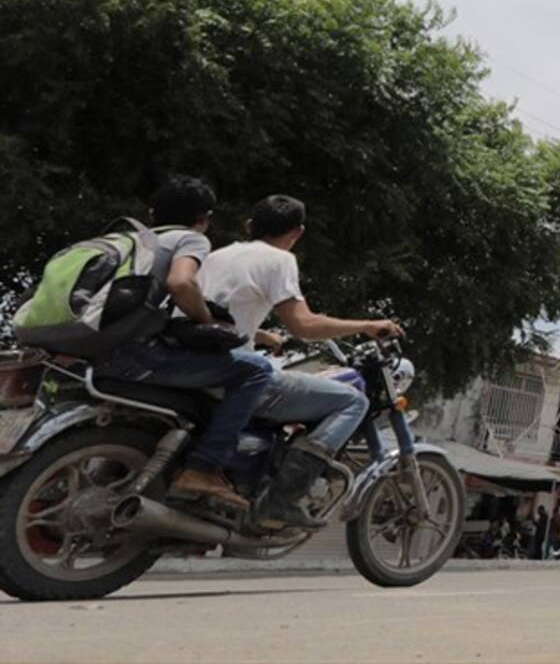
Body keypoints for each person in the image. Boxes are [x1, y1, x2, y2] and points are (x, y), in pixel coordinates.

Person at [196, 194, 403, 527]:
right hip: (233, 372)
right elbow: (303, 325)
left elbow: (215, 315)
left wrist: (263, 336)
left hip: (198, 361)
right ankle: (283, 498)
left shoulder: (218, 255)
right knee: (352, 401)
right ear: (297, 233)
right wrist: (367, 326)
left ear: (250, 226)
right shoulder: (279, 260)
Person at [94, 176, 274, 510]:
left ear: (152, 212)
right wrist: (208, 324)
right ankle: (203, 468)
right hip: (134, 355)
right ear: (204, 218)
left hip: (90, 354)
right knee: (256, 370)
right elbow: (181, 283)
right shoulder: (191, 239)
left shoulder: (128, 240)